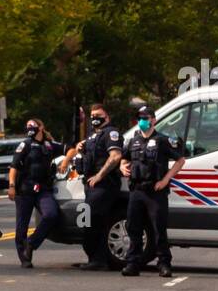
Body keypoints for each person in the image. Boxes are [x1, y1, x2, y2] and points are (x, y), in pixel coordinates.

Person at [120, 105, 185, 278]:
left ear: (153, 120)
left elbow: (180, 160)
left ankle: (164, 263)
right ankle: (133, 263)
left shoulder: (162, 140)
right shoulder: (134, 141)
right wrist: (122, 167)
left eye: (145, 118)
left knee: (158, 229)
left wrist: (165, 180)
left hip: (155, 191)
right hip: (136, 191)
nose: (142, 121)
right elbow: (124, 158)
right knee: (133, 228)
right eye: (140, 118)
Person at [72, 102, 123, 270]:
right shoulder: (93, 136)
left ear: (107, 117)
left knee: (93, 220)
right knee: (87, 222)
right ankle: (93, 258)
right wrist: (81, 148)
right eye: (92, 116)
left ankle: (98, 260)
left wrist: (99, 176)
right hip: (90, 186)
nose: (94, 119)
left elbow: (115, 156)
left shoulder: (111, 133)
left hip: (104, 186)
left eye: (98, 116)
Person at [7, 118, 64, 268]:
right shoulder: (25, 144)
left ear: (41, 127)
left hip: (43, 189)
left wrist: (65, 162)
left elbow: (70, 149)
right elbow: (14, 167)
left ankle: (31, 243)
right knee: (22, 226)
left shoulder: (49, 145)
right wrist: (12, 185)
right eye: (27, 126)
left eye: (32, 125)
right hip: (25, 189)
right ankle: (24, 257)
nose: (29, 128)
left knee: (51, 214)